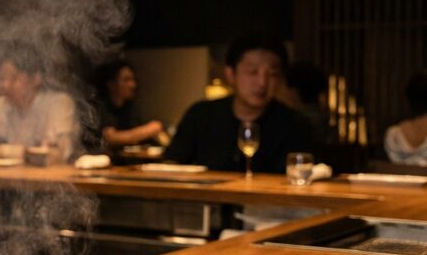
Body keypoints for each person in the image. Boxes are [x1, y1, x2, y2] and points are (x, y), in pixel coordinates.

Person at [165, 33, 315, 173]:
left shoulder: (295, 125)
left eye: (272, 74)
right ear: (230, 74)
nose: (262, 83)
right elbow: (172, 164)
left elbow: (307, 175)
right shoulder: (201, 115)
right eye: (252, 72)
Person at [0, 42, 78, 162]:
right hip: (10, 179)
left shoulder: (59, 104)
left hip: (51, 179)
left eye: (14, 78)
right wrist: (24, 153)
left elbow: (59, 154)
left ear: (36, 78)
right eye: (2, 78)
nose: (5, 85)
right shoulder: (0, 105)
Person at [93, 59, 167, 148]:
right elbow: (110, 138)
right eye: (126, 80)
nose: (133, 85)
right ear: (111, 84)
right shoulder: (99, 108)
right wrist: (150, 129)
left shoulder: (127, 109)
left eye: (133, 79)